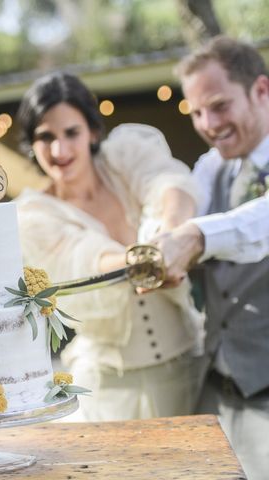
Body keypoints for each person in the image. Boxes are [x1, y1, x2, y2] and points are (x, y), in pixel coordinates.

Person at [14, 71, 205, 421]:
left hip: (187, 362)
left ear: (92, 131)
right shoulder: (33, 213)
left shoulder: (124, 156)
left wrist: (174, 235)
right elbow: (84, 258)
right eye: (45, 137)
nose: (60, 150)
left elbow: (169, 181)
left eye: (71, 132)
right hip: (109, 385)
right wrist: (152, 262)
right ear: (31, 143)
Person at [151, 36, 269, 480]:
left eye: (218, 106)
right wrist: (161, 245)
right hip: (215, 385)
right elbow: (178, 214)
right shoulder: (212, 166)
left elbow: (261, 221)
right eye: (196, 112)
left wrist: (196, 236)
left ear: (261, 90)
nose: (207, 123)